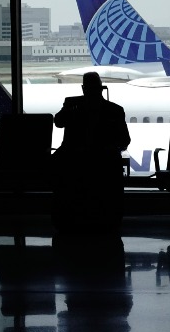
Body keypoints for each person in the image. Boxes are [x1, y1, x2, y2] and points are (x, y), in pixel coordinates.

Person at [52, 71, 131, 235]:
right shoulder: (114, 110)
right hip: (101, 160)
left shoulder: (75, 106)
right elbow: (124, 140)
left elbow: (58, 122)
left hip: (78, 159)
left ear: (83, 88)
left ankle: (70, 219)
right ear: (101, 88)